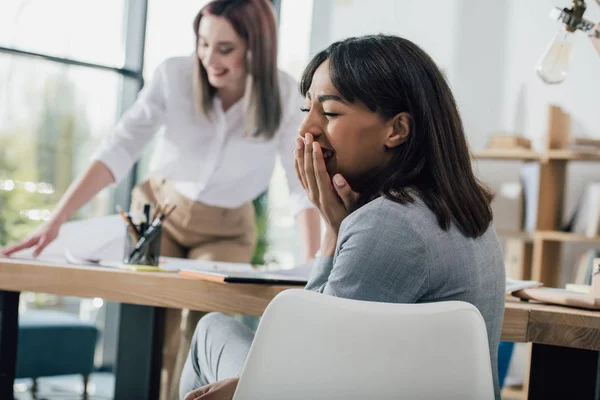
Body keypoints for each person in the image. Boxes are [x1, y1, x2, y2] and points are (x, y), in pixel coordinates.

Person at [0, 1, 321, 399]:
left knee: (203, 321)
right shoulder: (174, 74)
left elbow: (299, 185)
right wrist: (55, 222)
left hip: (226, 228)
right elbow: (120, 148)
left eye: (225, 49)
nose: (209, 59)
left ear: (258, 48)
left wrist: (311, 268)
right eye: (203, 43)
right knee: (153, 317)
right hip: (159, 211)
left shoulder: (286, 94)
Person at [180, 34, 506, 400]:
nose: (306, 131)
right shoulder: (464, 209)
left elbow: (303, 364)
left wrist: (334, 234)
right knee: (218, 334)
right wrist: (338, 227)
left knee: (210, 333)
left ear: (397, 129)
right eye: (307, 112)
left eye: (331, 112)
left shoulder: (388, 223)